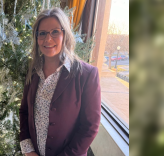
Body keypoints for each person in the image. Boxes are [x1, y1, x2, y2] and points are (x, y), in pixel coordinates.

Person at [19, 7, 101, 156]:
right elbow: (24, 111)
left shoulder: (87, 75)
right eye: (42, 33)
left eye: (55, 32)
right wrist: (28, 150)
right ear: (36, 38)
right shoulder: (32, 70)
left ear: (65, 34)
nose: (47, 39)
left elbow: (90, 127)